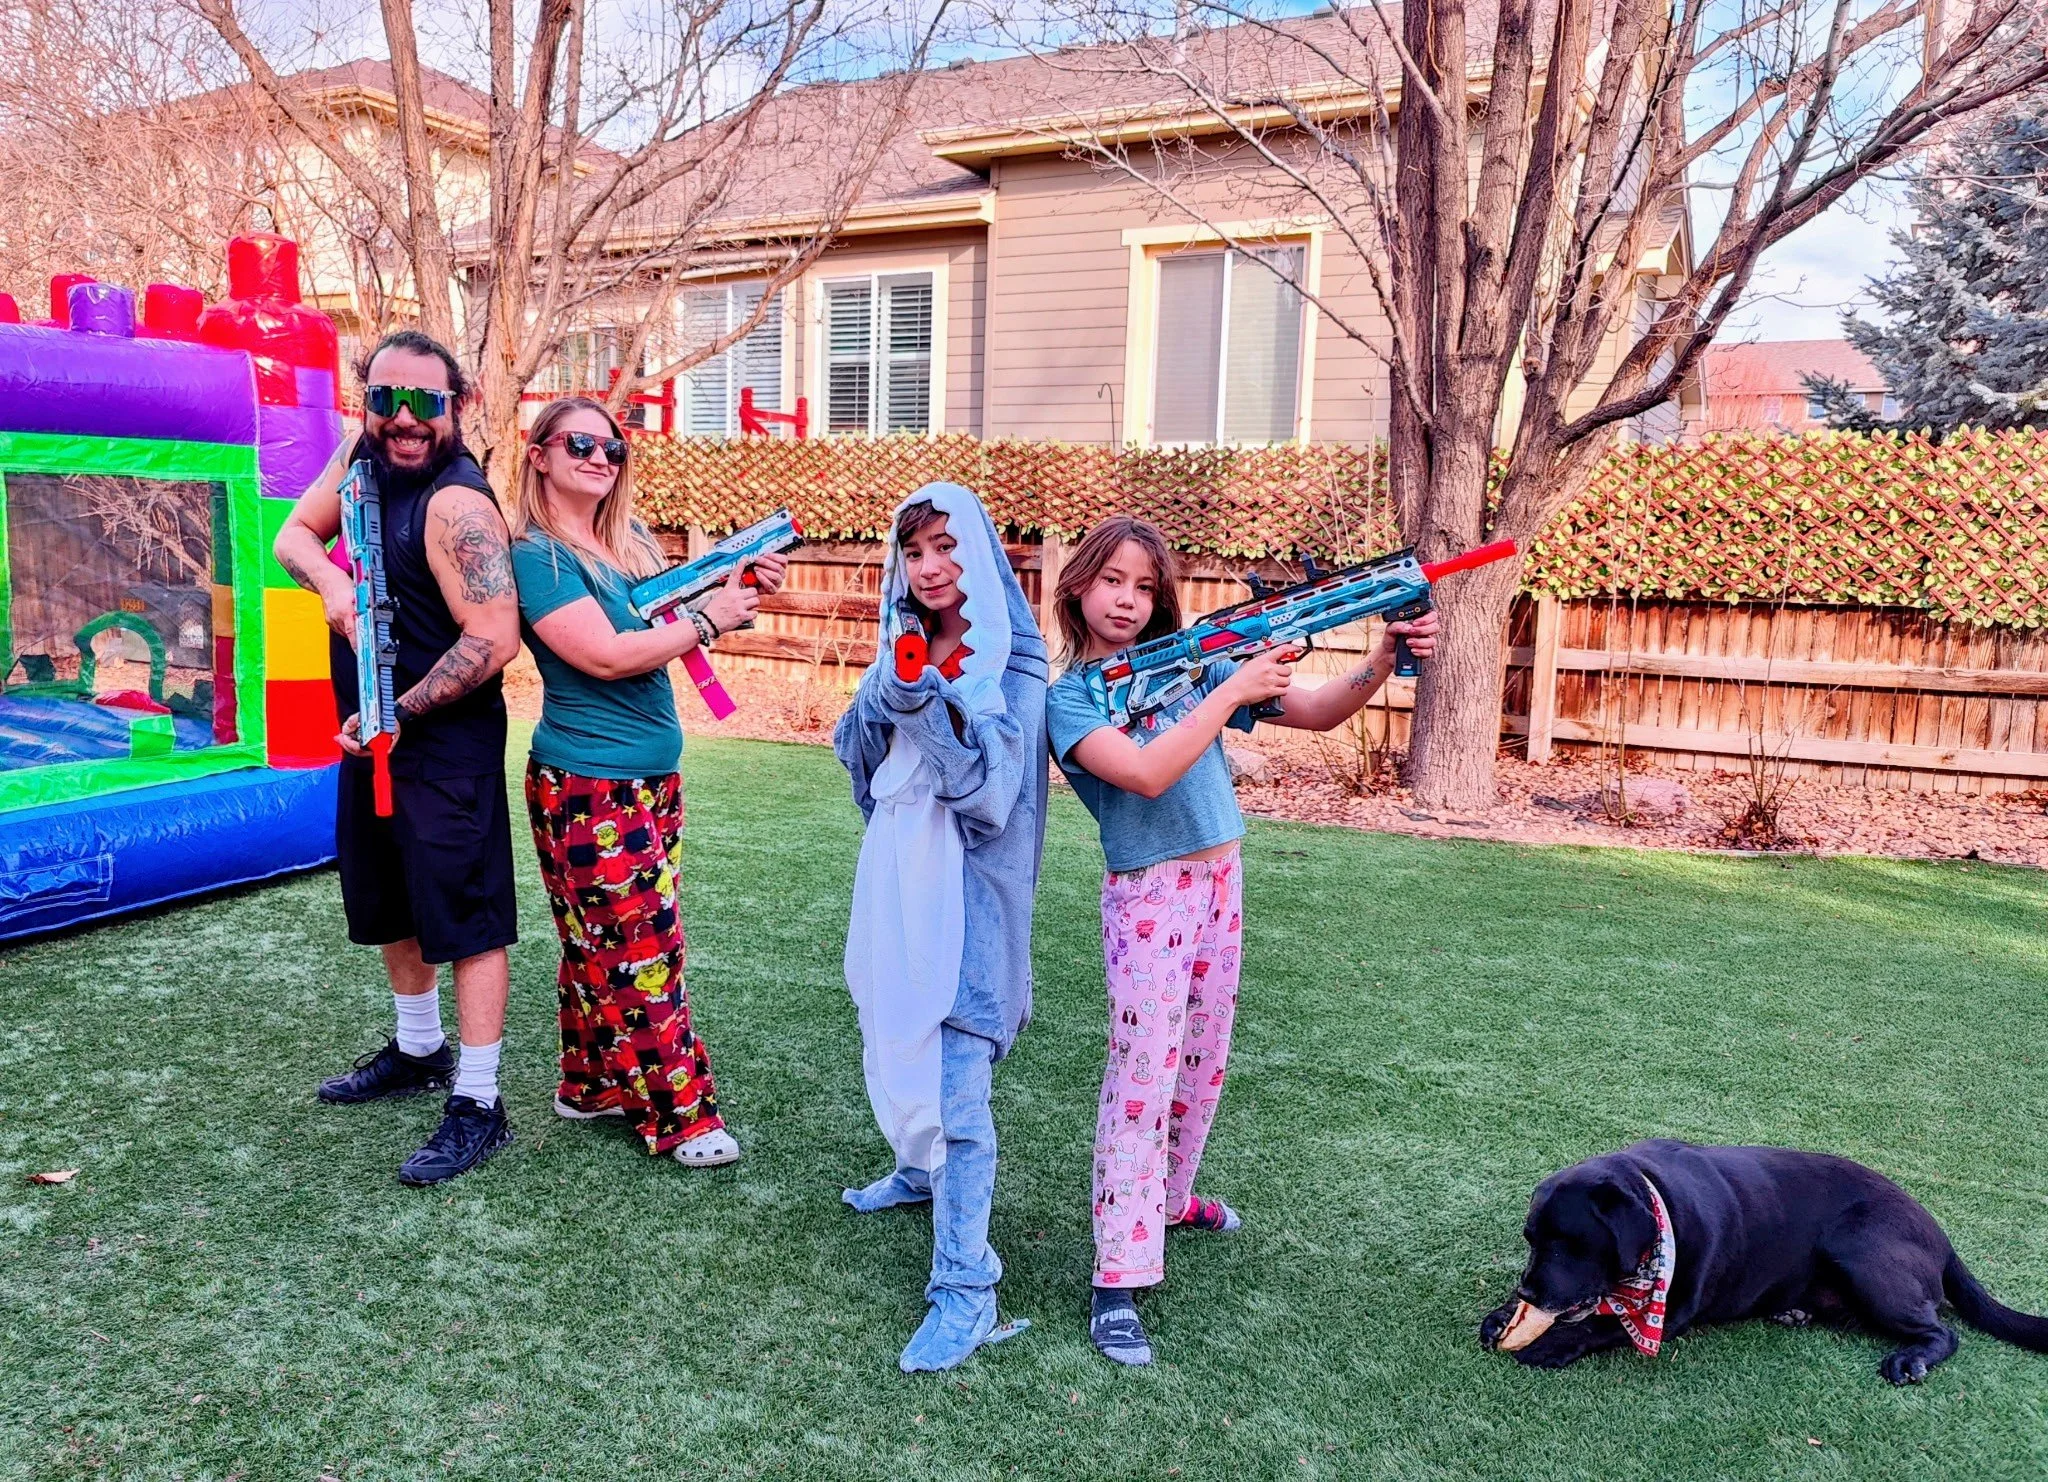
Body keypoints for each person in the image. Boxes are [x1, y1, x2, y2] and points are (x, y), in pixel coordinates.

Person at [1044, 515, 1441, 1366]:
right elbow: (1146, 775)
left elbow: (1320, 713)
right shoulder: (1071, 697)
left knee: (1201, 1060)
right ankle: (1118, 1274)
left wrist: (1380, 656)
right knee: (1143, 1072)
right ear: (1078, 584)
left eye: (1146, 587)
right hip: (1150, 891)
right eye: (1113, 579)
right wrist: (1228, 689)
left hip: (1222, 880)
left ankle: (1171, 1199)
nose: (1127, 598)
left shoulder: (1191, 665)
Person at [508, 396, 786, 1168]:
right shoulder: (537, 556)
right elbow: (601, 653)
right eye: (580, 445)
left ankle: (590, 1083)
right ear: (539, 454)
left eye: (612, 448)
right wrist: (710, 620)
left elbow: (672, 616)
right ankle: (684, 1119)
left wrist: (739, 585)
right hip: (588, 781)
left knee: (599, 939)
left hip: (650, 776)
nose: (600, 458)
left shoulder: (626, 539)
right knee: (644, 948)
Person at [273, 330, 523, 1186]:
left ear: (459, 403)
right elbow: (294, 537)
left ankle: (481, 1104)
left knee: (467, 912)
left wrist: (395, 713)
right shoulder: (358, 457)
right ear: (365, 401)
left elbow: (494, 640)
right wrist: (333, 583)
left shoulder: (459, 507)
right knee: (389, 894)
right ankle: (420, 1049)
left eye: (426, 401)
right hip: (368, 731)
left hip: (441, 741)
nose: (406, 419)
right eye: (387, 400)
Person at [834, 482, 1049, 1373]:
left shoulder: (1019, 669)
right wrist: (890, 690)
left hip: (972, 903)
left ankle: (967, 1292)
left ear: (984, 557)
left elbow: (991, 800)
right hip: (896, 878)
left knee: (961, 1094)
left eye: (948, 549)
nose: (930, 569)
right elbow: (853, 755)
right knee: (892, 1039)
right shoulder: (902, 643)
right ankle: (919, 1176)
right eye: (914, 552)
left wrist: (920, 702)